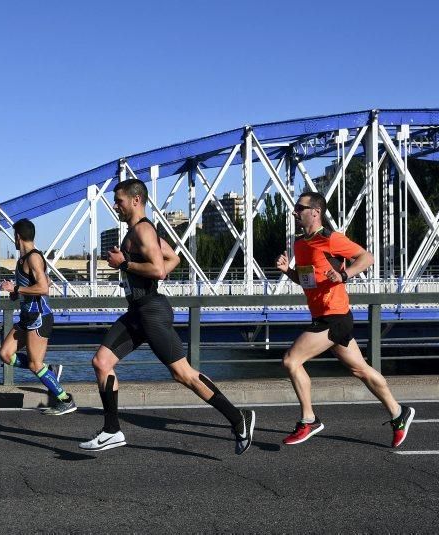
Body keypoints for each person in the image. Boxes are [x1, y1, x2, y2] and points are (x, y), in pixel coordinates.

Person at [78, 178, 255, 454]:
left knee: (184, 375)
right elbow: (173, 259)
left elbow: (159, 271)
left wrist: (125, 263)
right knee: (101, 362)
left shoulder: (143, 231)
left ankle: (238, 419)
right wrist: (131, 264)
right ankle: (111, 430)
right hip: (137, 312)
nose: (116, 206)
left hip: (151, 312)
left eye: (120, 201)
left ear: (136, 200)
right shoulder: (136, 232)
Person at [276, 191, 414, 447]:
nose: (295, 212)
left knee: (291, 360)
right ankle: (398, 413)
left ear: (315, 211)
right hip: (322, 315)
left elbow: (367, 257)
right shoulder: (300, 244)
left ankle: (309, 420)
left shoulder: (330, 238)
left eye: (300, 207)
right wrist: (289, 272)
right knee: (360, 369)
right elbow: (307, 282)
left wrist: (345, 275)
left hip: (335, 316)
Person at [0, 218, 77, 415]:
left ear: (18, 237)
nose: (13, 241)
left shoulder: (34, 258)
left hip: (39, 317)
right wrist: (19, 293)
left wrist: (15, 287)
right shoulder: (22, 260)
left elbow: (44, 288)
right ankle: (48, 370)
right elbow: (47, 281)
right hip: (27, 317)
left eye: (14, 237)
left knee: (34, 364)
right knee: (6, 354)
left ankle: (65, 399)